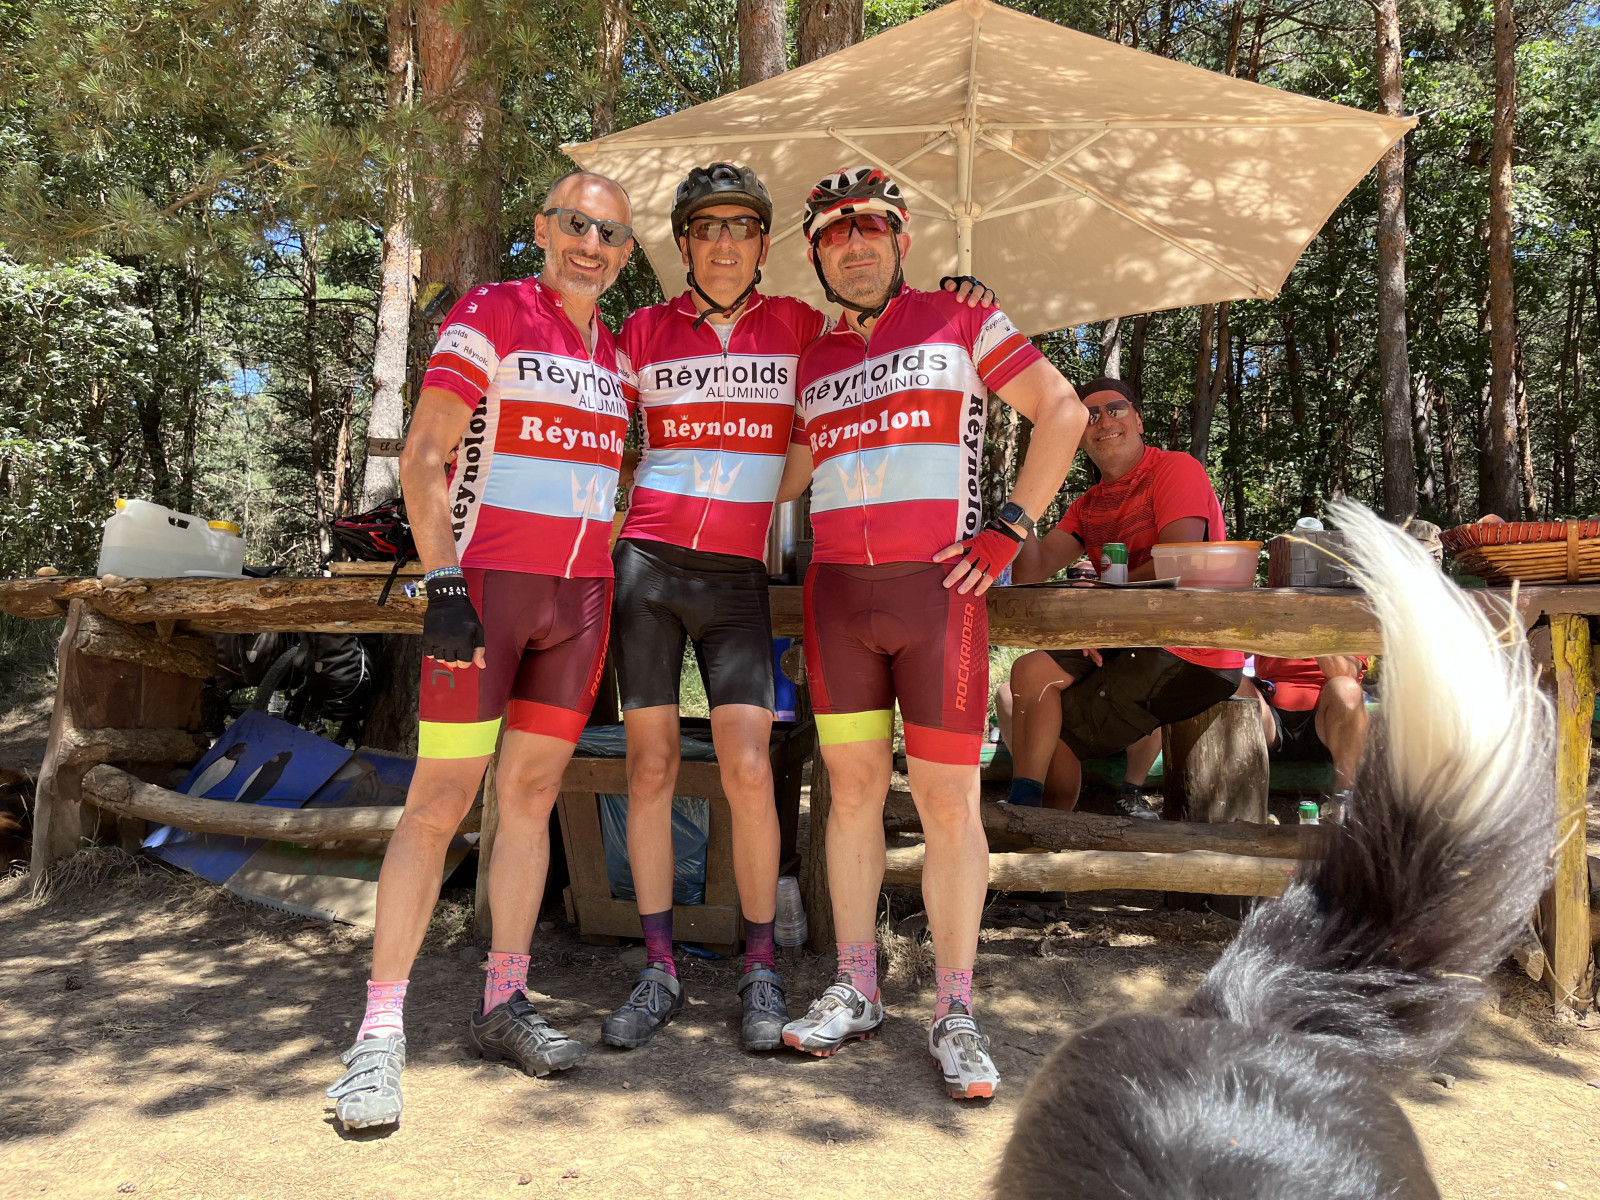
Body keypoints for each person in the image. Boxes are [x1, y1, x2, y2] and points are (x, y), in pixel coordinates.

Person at [601, 163, 996, 1053]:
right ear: (685, 244)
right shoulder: (640, 331)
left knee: (748, 769)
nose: (726, 243)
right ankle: (658, 967)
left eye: (743, 228)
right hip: (648, 566)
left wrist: (963, 298)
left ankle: (761, 967)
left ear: (766, 245)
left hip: (739, 572)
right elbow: (594, 428)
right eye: (709, 228)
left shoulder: (803, 325)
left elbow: (882, 334)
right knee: (650, 769)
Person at [325, 172, 637, 1130]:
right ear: (543, 228)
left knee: (531, 798)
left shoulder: (619, 353)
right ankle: (379, 1033)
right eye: (577, 224)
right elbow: (424, 455)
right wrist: (445, 582)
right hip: (488, 594)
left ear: (626, 254)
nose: (591, 245)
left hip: (580, 604)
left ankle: (505, 1000)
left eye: (611, 235)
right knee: (438, 805)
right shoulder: (493, 311)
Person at [775, 166, 1088, 1100]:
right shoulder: (813, 357)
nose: (854, 244)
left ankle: (955, 1009)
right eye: (834, 234)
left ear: (902, 239)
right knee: (852, 794)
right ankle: (857, 986)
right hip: (837, 597)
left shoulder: (960, 318)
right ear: (816, 255)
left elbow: (1063, 411)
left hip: (939, 594)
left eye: (871, 227)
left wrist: (1012, 526)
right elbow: (783, 474)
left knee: (950, 803)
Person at [995, 378, 1244, 817]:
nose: (1104, 421)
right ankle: (1028, 806)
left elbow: (1180, 562)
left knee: (1055, 728)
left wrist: (1102, 604)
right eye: (1089, 416)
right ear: (1076, 434)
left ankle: (1046, 827)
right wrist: (1025, 501)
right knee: (1028, 672)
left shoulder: (1176, 468)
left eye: (1115, 409)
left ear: (1139, 421)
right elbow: (1030, 571)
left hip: (1189, 647)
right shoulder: (1087, 505)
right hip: (1126, 637)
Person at [1241, 654, 1369, 813]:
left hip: (1326, 726)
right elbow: (1235, 654)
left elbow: (1346, 671)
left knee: (1346, 688)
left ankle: (1345, 797)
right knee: (1234, 682)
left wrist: (1312, 640)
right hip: (1268, 719)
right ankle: (1234, 796)